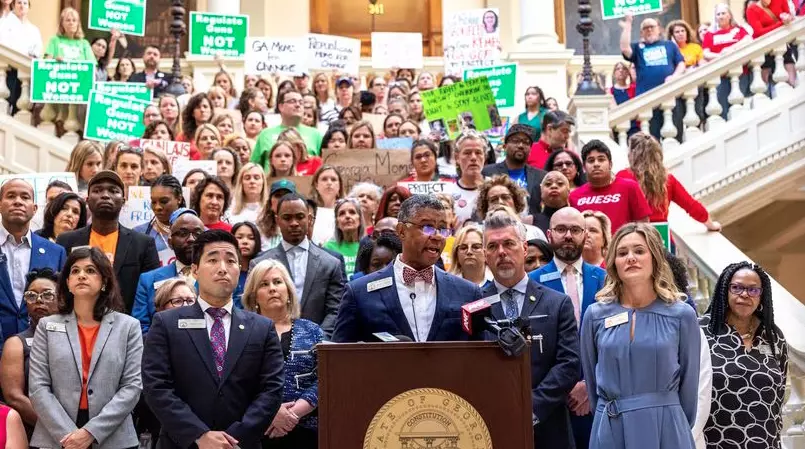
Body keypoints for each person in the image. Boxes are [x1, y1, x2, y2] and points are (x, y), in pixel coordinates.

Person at [142, 230, 285, 449]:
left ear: (239, 270)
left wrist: (234, 438)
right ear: (195, 270)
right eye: (212, 259)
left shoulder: (262, 328)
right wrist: (199, 435)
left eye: (231, 261)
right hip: (182, 443)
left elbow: (272, 389)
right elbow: (156, 386)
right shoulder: (166, 323)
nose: (223, 268)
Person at [580, 223, 700, 449]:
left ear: (654, 258)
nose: (631, 258)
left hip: (668, 429)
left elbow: (689, 387)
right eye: (622, 253)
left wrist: (671, 420)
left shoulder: (682, 315)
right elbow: (592, 381)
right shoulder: (594, 315)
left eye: (639, 251)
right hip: (611, 429)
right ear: (614, 262)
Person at [480, 212, 579, 448]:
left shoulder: (557, 303)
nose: (501, 252)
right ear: (485, 255)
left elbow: (569, 363)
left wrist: (532, 406)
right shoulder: (474, 305)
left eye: (509, 244)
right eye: (493, 246)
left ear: (524, 249)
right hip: (492, 426)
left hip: (549, 426)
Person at [29, 247, 143, 449]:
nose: (81, 275)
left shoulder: (129, 327)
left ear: (105, 282)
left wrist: (91, 432)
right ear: (67, 283)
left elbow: (132, 387)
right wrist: (69, 436)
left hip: (112, 437)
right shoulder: (47, 326)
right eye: (75, 271)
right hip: (55, 437)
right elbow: (38, 388)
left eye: (90, 270)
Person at [332, 195, 483, 343]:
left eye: (443, 229)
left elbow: (480, 358)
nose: (438, 236)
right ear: (402, 231)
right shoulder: (359, 293)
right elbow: (338, 359)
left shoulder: (468, 293)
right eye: (428, 227)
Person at [529, 207, 607, 449]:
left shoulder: (606, 280)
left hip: (598, 399)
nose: (568, 235)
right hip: (551, 405)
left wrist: (589, 385)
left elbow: (612, 341)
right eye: (561, 229)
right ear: (549, 235)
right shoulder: (531, 283)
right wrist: (560, 388)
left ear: (585, 234)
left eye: (575, 230)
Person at [700, 262, 788, 449]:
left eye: (753, 290)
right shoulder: (701, 331)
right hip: (715, 442)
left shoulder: (773, 336)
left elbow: (779, 397)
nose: (745, 295)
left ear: (761, 295)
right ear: (725, 290)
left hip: (765, 442)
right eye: (737, 288)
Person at [241, 260, 323, 449]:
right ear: (254, 297)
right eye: (264, 284)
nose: (272, 289)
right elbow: (238, 381)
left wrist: (294, 413)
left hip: (308, 430)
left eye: (277, 282)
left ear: (288, 291)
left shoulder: (312, 331)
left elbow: (326, 378)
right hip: (257, 430)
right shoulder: (242, 333)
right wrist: (271, 413)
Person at [56, 171, 160, 314]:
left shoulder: (143, 244)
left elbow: (151, 294)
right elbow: (59, 287)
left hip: (126, 326)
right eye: (97, 190)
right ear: (87, 200)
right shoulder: (66, 241)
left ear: (123, 201)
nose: (105, 195)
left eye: (113, 191)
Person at [249, 193, 344, 337]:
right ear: (277, 220)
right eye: (287, 218)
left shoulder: (331, 263)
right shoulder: (259, 263)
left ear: (310, 219)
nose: (294, 223)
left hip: (317, 346)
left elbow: (335, 310)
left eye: (300, 217)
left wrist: (317, 340)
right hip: (269, 344)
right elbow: (252, 308)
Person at [0, 179, 66, 344]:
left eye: (25, 197)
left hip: (42, 348)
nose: (18, 201)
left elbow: (63, 306)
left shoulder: (55, 252)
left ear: (35, 209)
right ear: (0, 205)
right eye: (11, 196)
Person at [616, 133, 721, 231]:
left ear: (632, 154)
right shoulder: (667, 179)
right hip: (662, 237)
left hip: (633, 236)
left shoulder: (622, 177)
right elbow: (691, 205)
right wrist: (711, 225)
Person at [0, 268, 59, 438]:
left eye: (47, 295)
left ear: (62, 298)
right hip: (36, 433)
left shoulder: (77, 335)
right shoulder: (16, 343)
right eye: (31, 296)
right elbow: (14, 397)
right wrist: (59, 430)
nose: (39, 300)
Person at [133, 208, 204, 334]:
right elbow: (140, 327)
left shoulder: (216, 278)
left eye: (197, 234)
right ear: (170, 242)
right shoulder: (148, 280)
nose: (191, 239)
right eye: (183, 234)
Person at [619, 14, 686, 139]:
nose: (649, 30)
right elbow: (624, 48)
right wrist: (628, 23)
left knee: (675, 132)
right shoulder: (638, 48)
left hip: (670, 94)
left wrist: (674, 77)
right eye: (645, 28)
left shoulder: (669, 45)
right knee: (652, 136)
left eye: (652, 27)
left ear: (658, 29)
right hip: (647, 98)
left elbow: (681, 64)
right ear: (641, 33)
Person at [570, 140, 651, 232]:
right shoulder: (574, 196)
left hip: (622, 245)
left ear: (610, 164)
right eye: (591, 160)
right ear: (584, 167)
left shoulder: (630, 187)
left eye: (601, 159)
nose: (596, 164)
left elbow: (644, 224)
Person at [483, 124, 547, 217]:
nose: (521, 145)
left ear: (530, 149)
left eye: (526, 142)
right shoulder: (488, 172)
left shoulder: (541, 176)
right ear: (504, 146)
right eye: (515, 141)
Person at [252, 90, 323, 164]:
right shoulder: (265, 134)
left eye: (301, 102)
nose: (298, 105)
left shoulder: (315, 134)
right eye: (292, 101)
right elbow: (255, 166)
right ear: (280, 106)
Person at [133, 175, 184, 262]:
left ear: (179, 199)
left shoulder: (197, 231)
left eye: (164, 201)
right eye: (153, 202)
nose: (157, 207)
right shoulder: (138, 234)